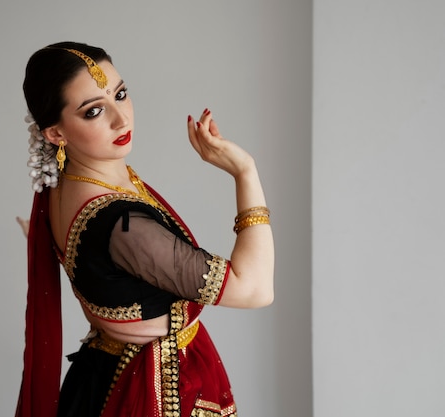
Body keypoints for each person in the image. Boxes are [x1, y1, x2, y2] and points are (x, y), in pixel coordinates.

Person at [15, 41, 274, 417]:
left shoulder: (65, 185)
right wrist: (245, 172)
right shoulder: (123, 227)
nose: (121, 119)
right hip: (151, 388)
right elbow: (254, 289)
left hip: (101, 375)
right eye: (94, 112)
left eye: (120, 94)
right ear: (55, 134)